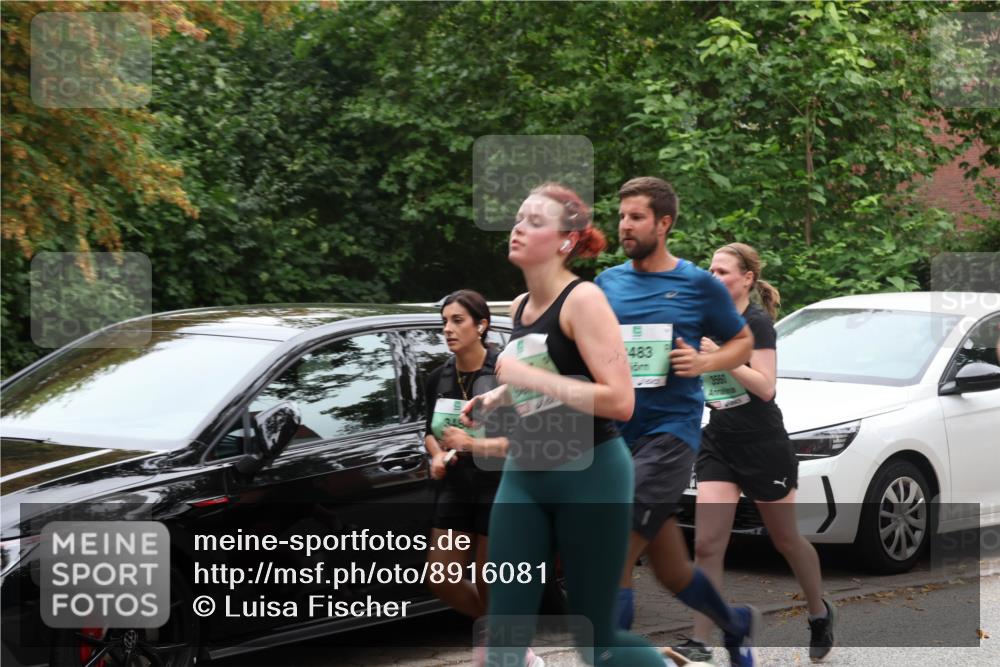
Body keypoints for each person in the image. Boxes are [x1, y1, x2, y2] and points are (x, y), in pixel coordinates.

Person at [462, 183, 665, 667]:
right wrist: (495, 395)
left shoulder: (584, 300)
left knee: (598, 643)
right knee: (504, 634)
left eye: (535, 221)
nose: (518, 227)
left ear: (565, 241)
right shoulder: (520, 307)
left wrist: (525, 375)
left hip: (591, 473)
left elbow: (620, 400)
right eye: (518, 218)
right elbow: (545, 374)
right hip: (527, 470)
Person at [594, 177, 759, 667]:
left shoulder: (697, 284)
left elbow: (742, 342)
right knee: (671, 569)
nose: (625, 225)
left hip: (670, 434)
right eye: (622, 216)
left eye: (636, 217)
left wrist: (705, 364)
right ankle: (735, 625)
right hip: (617, 435)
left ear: (663, 223)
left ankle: (611, 657)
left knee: (616, 549)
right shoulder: (607, 283)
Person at [676, 243, 834, 663]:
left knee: (785, 540)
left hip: (763, 443)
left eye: (723, 271)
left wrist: (720, 358)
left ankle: (819, 612)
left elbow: (765, 387)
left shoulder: (756, 324)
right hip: (719, 439)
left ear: (746, 278)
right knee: (708, 544)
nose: (713, 277)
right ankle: (700, 638)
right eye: (709, 269)